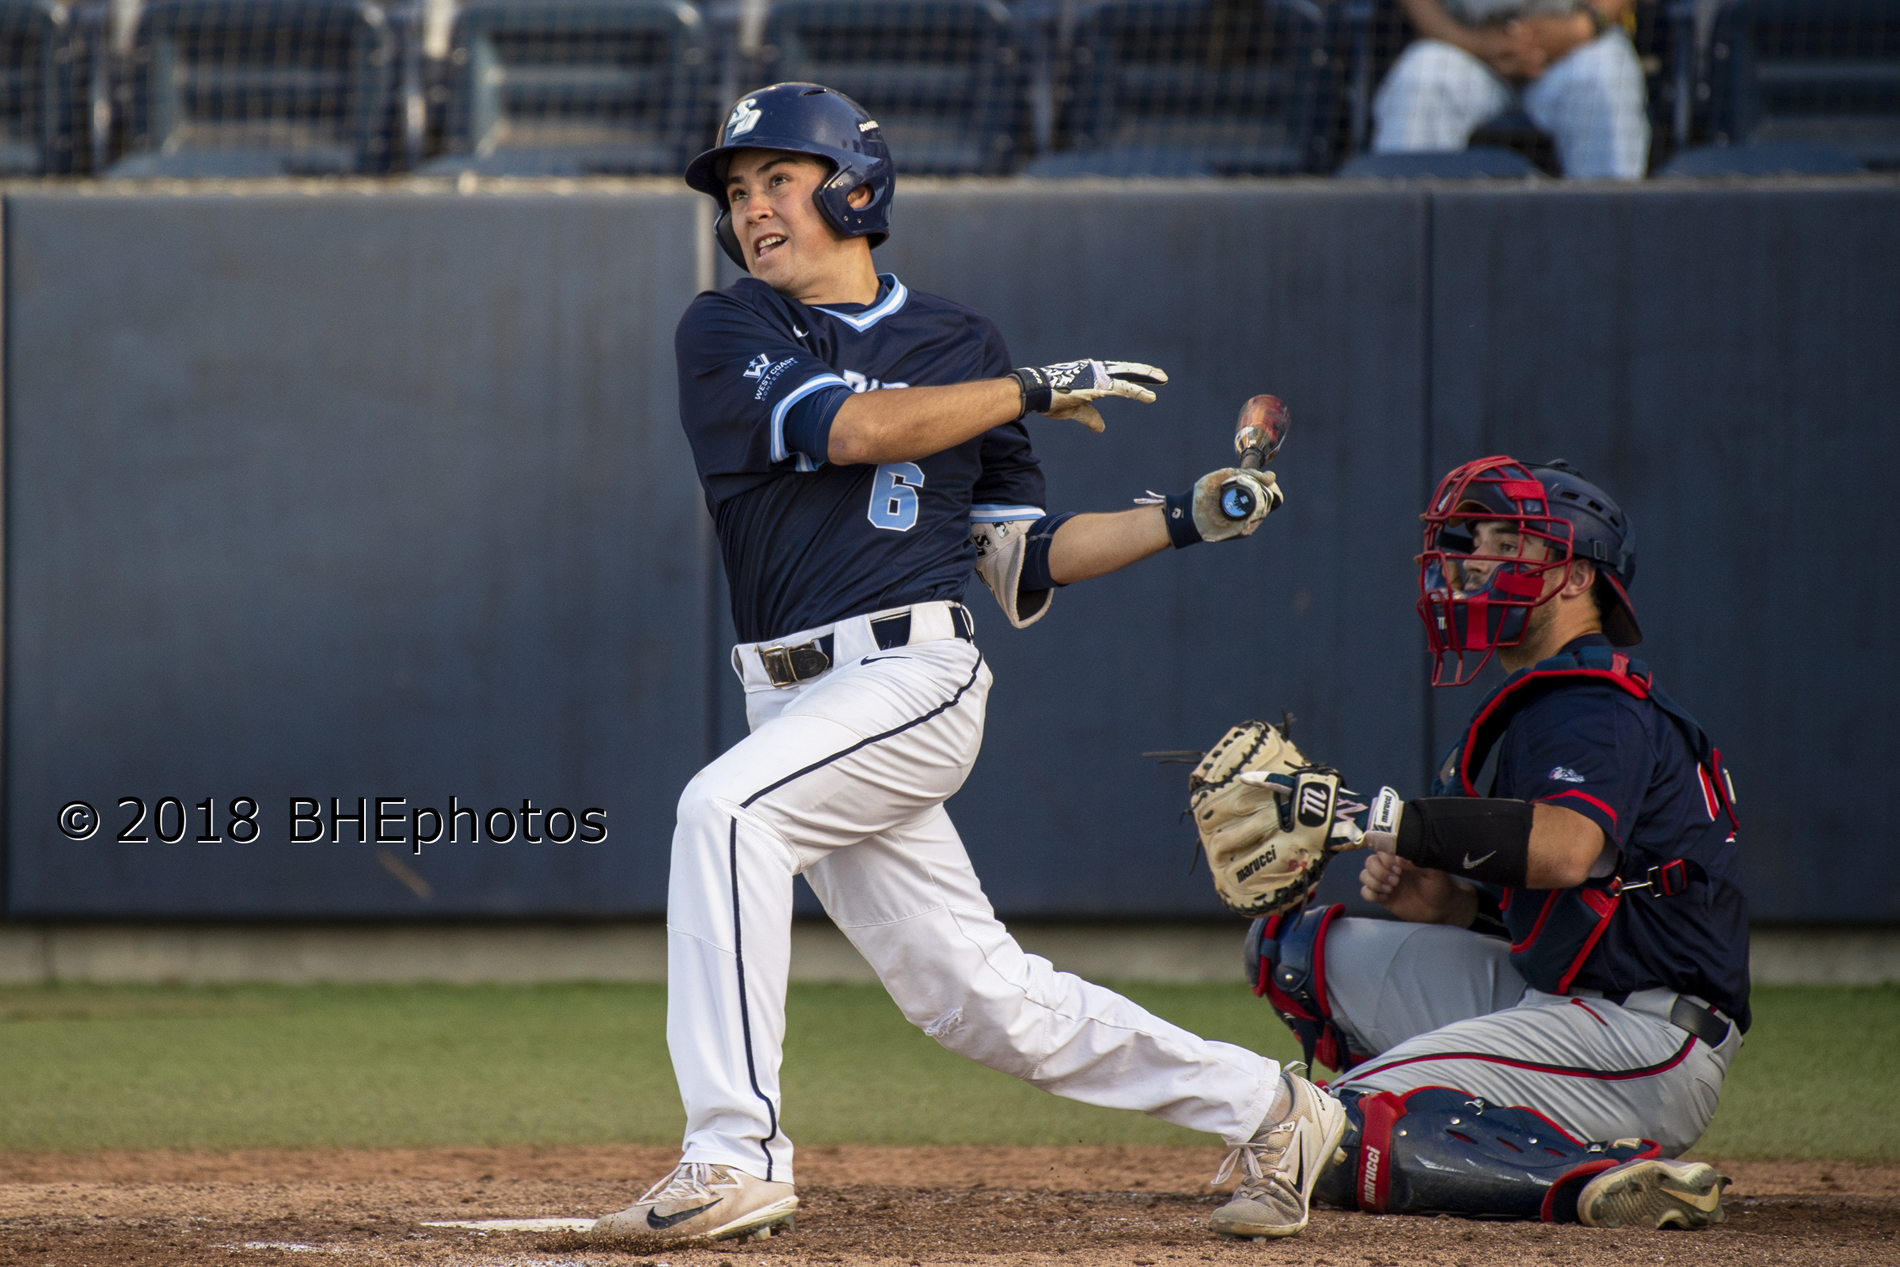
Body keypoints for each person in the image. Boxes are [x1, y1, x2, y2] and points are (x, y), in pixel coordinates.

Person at [590, 81, 1339, 1246]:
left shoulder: (958, 342)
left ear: (855, 189)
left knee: (725, 815)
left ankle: (731, 1155)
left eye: (779, 179)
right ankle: (1273, 1107)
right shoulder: (730, 326)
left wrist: (1182, 519)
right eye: (736, 192)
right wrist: (1030, 388)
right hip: (793, 700)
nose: (752, 209)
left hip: (911, 675)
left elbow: (1022, 555)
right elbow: (849, 429)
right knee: (980, 1002)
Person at [1245, 455, 1747, 1228]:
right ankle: (1456, 1118)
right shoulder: (1554, 699)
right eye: (1475, 541)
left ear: (1574, 576)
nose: (1475, 561)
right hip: (1572, 997)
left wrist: (1376, 820)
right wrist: (1448, 903)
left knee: (1322, 1132)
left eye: (1508, 544)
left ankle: (1592, 1176)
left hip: (1642, 1035)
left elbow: (1569, 850)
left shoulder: (1593, 703)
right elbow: (1589, 905)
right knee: (1298, 953)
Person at [1371, 0, 1650, 178]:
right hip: (1465, 44)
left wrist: (1580, 29)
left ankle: (1612, 242)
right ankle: (1402, 245)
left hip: (1574, 44)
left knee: (1607, 77)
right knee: (1419, 81)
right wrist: (1473, 43)